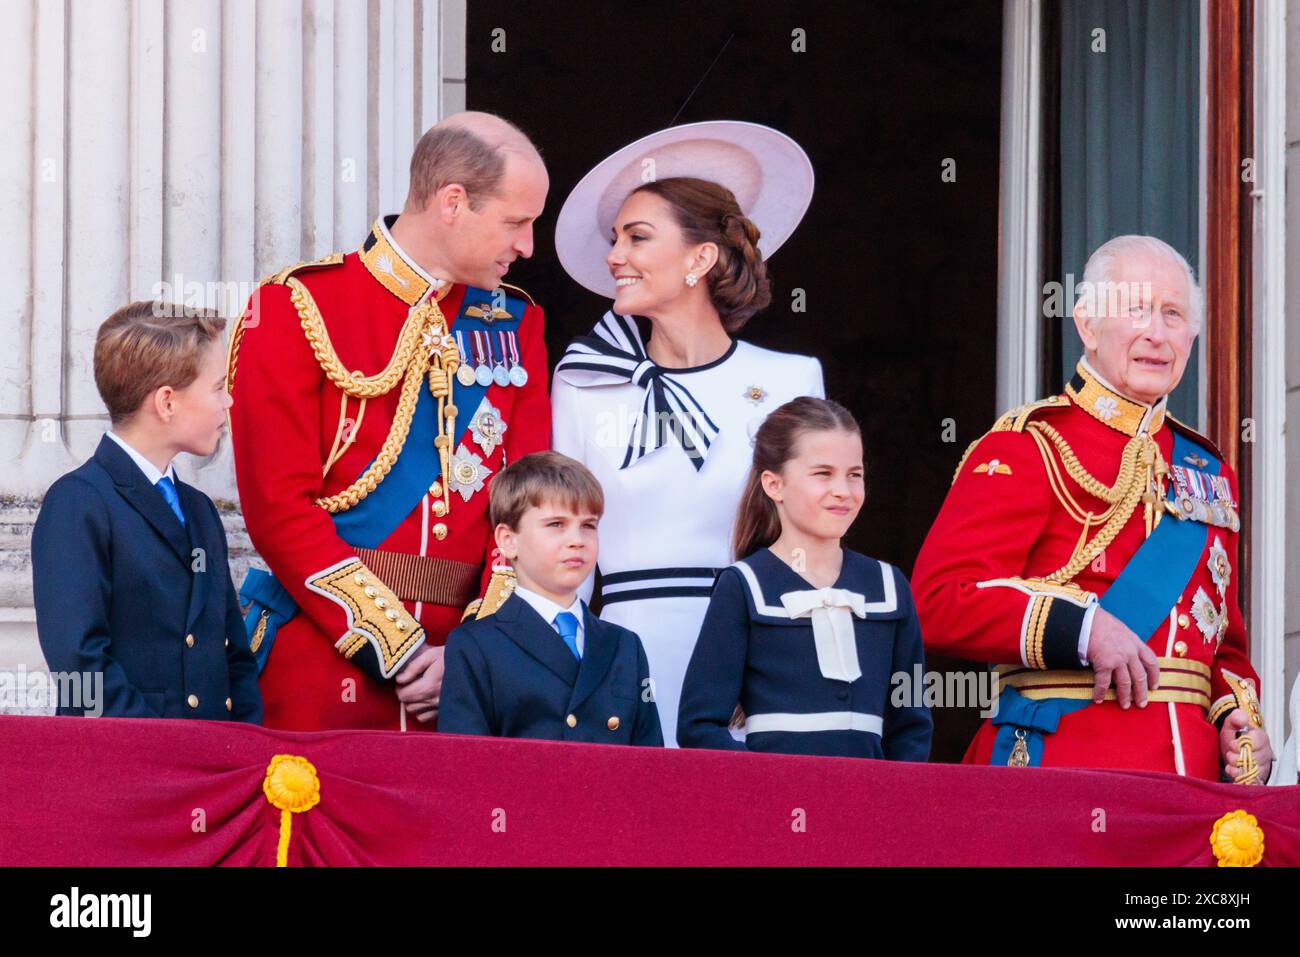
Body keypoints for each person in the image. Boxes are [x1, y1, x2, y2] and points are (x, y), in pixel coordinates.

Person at [228, 112, 552, 731]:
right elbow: (276, 507)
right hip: (320, 662)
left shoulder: (516, 323)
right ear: (452, 202)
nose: (528, 246)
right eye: (517, 222)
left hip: (467, 674)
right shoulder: (295, 306)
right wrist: (396, 648)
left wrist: (473, 652)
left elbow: (529, 504)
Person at [912, 235, 1274, 782]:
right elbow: (939, 601)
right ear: (1086, 324)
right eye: (1137, 309)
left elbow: (1222, 643)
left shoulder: (1207, 471)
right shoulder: (1027, 445)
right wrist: (1082, 629)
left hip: (1194, 785)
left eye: (1173, 314)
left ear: (1193, 335)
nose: (1157, 333)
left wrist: (1237, 720)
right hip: (1064, 769)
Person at [551, 121, 825, 745]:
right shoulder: (583, 382)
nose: (614, 256)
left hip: (752, 655)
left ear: (701, 257)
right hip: (619, 659)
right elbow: (561, 547)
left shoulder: (790, 379)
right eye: (615, 239)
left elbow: (807, 543)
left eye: (637, 238)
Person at [32, 302, 262, 722]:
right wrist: (161, 755)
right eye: (218, 387)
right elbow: (80, 667)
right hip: (128, 771)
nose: (229, 400)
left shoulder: (200, 510)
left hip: (217, 768)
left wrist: (244, 752)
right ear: (167, 402)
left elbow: (234, 658)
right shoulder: (78, 504)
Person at [677, 398, 931, 758]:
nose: (843, 490)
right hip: (772, 806)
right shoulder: (744, 585)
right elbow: (698, 726)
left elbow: (911, 725)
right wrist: (764, 786)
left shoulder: (889, 586)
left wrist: (892, 801)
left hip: (869, 807)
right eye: (823, 473)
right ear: (774, 485)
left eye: (854, 474)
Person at [439, 452, 662, 744]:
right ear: (508, 540)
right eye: (556, 524)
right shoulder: (474, 646)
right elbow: (463, 769)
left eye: (588, 525)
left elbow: (650, 765)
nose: (577, 540)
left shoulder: (624, 645)